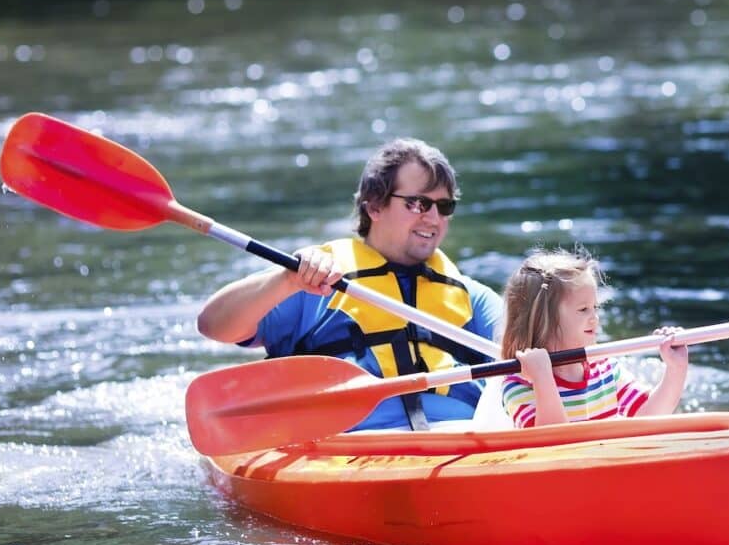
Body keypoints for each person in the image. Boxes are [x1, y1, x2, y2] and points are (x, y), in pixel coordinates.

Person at [197, 138, 502, 431]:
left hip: (460, 435)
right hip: (347, 442)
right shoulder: (312, 282)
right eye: (418, 204)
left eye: (444, 206)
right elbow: (213, 325)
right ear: (375, 208)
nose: (434, 219)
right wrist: (286, 281)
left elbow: (530, 345)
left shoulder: (470, 297)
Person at [500, 249, 688, 428]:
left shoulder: (605, 368)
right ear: (543, 320)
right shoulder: (518, 385)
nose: (595, 318)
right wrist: (543, 378)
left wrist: (676, 369)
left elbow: (649, 417)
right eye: (583, 309)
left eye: (595, 308)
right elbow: (551, 445)